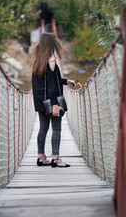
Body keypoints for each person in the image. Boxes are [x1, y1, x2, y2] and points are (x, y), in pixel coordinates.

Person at [31, 32, 81, 167]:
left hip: (41, 101)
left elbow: (50, 80)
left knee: (43, 129)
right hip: (52, 101)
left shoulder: (37, 61)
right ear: (50, 44)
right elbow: (52, 85)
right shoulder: (51, 59)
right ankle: (56, 159)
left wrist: (68, 81)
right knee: (57, 129)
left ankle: (41, 158)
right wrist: (55, 105)